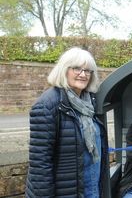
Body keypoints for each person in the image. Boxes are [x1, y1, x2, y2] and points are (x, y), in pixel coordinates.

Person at [25, 47, 108, 197]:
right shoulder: (47, 105)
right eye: (77, 68)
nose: (83, 74)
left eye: (88, 70)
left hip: (91, 189)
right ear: (64, 70)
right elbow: (40, 166)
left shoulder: (90, 103)